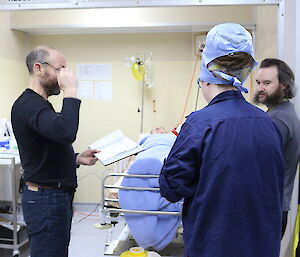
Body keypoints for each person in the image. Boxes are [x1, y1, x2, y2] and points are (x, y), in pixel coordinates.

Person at [159, 23, 285, 257]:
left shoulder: (199, 124)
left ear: (205, 77)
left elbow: (172, 188)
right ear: (246, 71)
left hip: (214, 246)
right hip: (262, 246)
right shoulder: (268, 123)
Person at [11, 45, 99, 257]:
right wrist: (71, 92)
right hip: (45, 200)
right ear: (39, 68)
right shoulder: (28, 105)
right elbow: (65, 132)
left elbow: (48, 147)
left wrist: (76, 158)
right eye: (60, 69)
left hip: (52, 197)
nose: (64, 76)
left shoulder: (40, 105)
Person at [254, 58, 300, 238]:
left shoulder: (277, 120)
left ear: (284, 86)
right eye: (258, 82)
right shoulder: (283, 112)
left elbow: (258, 166)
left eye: (267, 83)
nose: (260, 88)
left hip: (268, 208)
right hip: (274, 207)